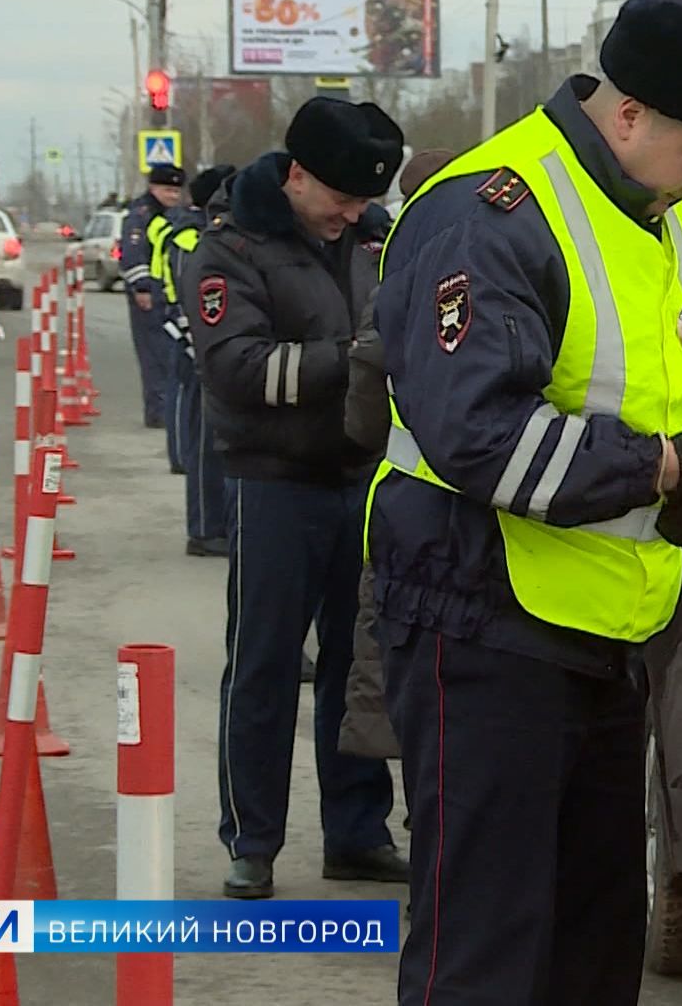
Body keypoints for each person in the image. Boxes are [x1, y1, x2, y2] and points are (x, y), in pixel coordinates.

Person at [349, 0, 682, 1005]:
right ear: (628, 115)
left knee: (593, 948)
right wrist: (675, 464)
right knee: (485, 951)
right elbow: (484, 438)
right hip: (483, 619)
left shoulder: (664, 214)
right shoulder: (489, 213)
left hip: (613, 634)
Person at [186, 96, 407, 900]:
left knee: (362, 668)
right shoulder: (230, 248)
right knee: (265, 666)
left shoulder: (372, 237)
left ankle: (357, 832)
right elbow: (237, 369)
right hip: (273, 483)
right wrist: (353, 360)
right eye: (342, 198)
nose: (353, 214)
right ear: (297, 175)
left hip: (363, 477)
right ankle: (253, 842)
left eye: (364, 200)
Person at [151, 163, 237, 556]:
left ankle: (214, 523)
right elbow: (193, 296)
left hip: (205, 343)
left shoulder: (205, 234)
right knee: (202, 439)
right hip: (193, 343)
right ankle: (204, 528)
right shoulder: (191, 238)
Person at [121, 165, 185, 437]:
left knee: (169, 353)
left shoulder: (171, 215)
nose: (172, 195)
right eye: (167, 190)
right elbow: (134, 254)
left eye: (176, 191)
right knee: (153, 354)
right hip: (147, 295)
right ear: (153, 188)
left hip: (167, 295)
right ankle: (157, 411)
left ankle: (166, 408)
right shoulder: (141, 215)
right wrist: (142, 287)